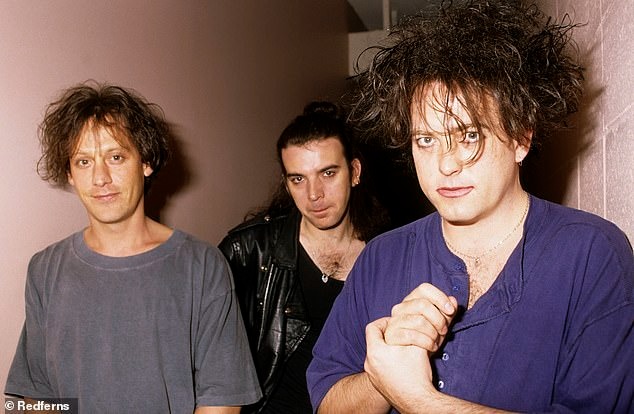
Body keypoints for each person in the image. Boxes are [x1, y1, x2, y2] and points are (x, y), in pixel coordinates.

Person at [307, 1, 634, 413]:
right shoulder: (380, 257)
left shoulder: (591, 254)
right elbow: (328, 403)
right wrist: (382, 372)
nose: (446, 164)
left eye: (469, 136)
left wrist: (417, 399)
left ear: (521, 138)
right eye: (426, 140)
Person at [4, 82, 262, 413]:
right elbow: (37, 395)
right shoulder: (44, 269)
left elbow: (222, 399)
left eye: (115, 157)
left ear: (145, 162)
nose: (100, 177)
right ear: (69, 173)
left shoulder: (202, 265)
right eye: (83, 161)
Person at [218, 102, 388, 413]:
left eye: (328, 173)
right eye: (298, 179)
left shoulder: (390, 255)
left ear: (354, 172)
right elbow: (211, 362)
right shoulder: (249, 251)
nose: (314, 194)